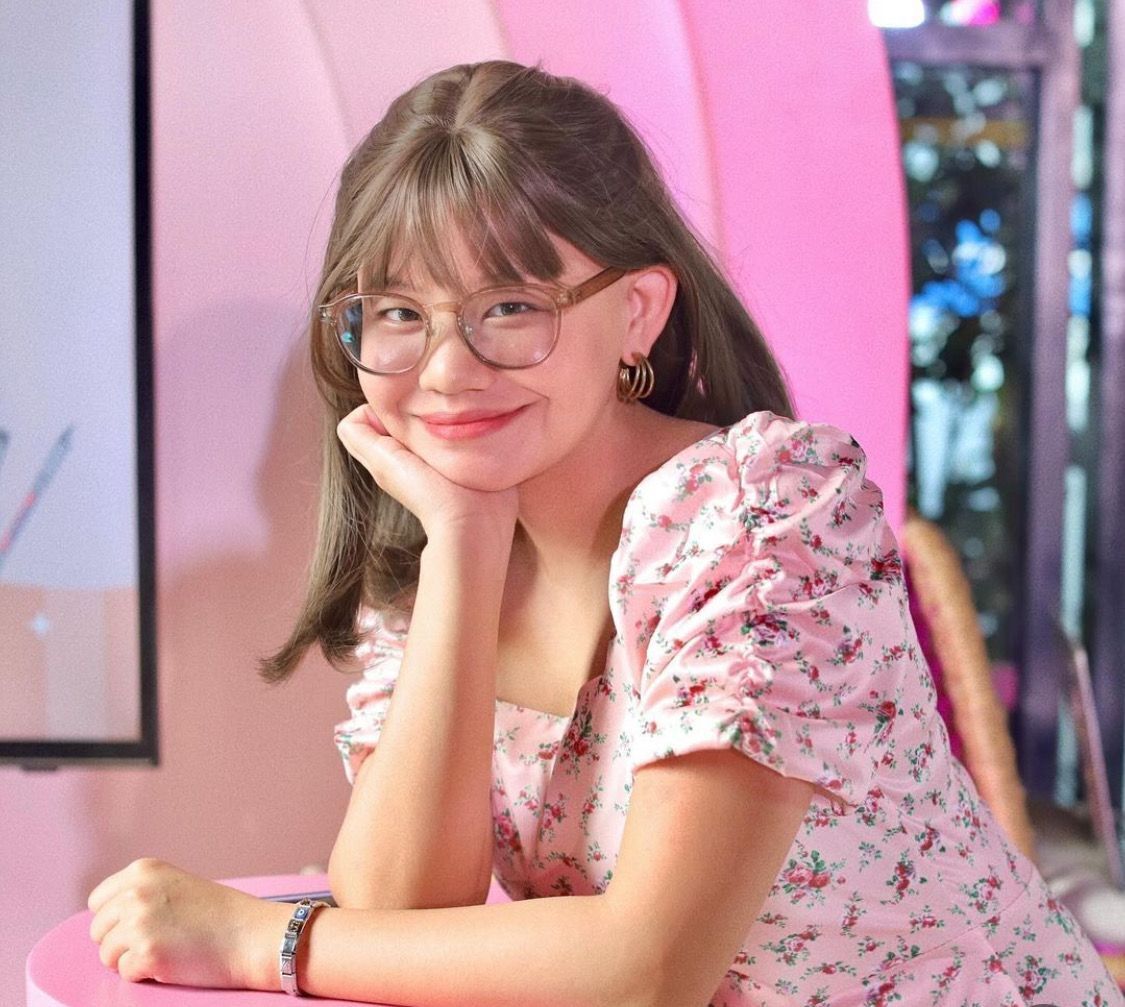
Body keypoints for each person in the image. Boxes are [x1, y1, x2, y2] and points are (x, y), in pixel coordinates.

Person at [87, 59, 1123, 1006]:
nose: (447, 369)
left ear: (637, 311)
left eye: (509, 305)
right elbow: (401, 915)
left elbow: (651, 967)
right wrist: (466, 539)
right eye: (397, 312)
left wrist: (257, 939)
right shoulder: (442, 556)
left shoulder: (765, 512)